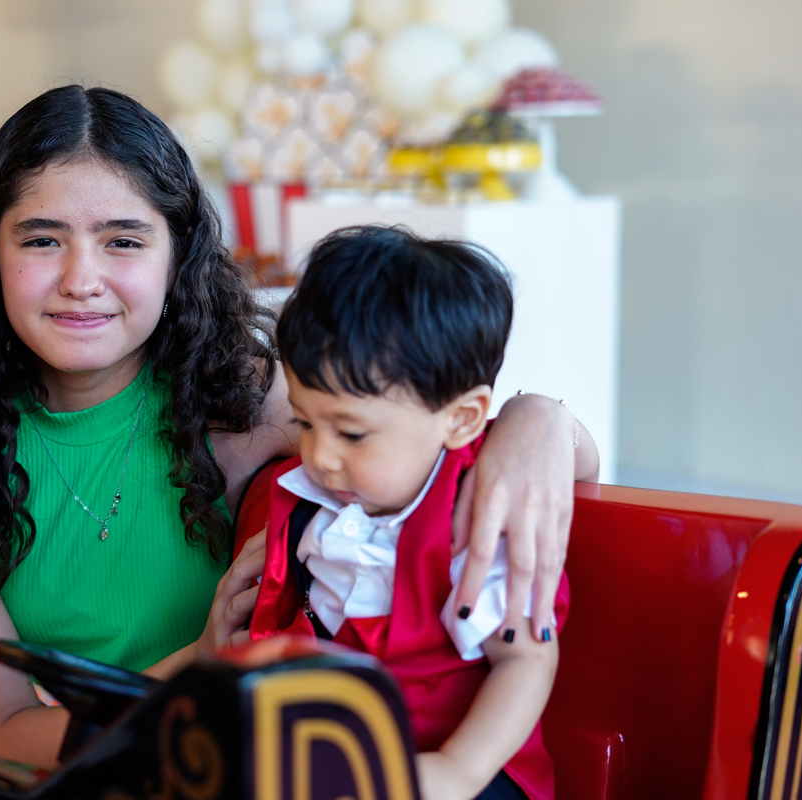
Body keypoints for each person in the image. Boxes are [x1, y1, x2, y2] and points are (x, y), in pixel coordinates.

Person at [0, 85, 599, 769]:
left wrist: (537, 421)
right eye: (41, 240)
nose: (81, 279)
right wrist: (196, 668)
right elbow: (6, 734)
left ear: (176, 256)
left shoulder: (242, 400)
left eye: (123, 241)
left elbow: (465, 436)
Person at [247, 226, 598, 800]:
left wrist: (456, 771)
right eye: (306, 423)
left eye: (352, 434)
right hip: (334, 757)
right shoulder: (317, 500)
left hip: (455, 774)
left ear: (461, 419)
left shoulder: (476, 518)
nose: (320, 456)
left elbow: (524, 660)